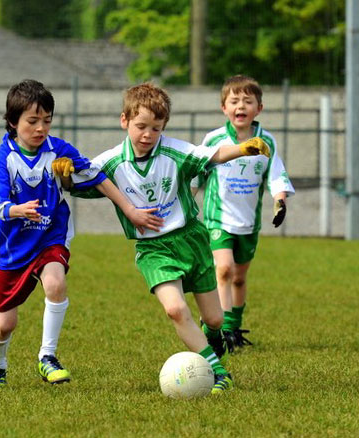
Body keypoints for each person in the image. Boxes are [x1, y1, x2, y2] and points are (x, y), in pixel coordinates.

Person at [64, 82, 270, 394]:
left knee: (214, 319)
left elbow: (211, 154)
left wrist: (243, 148)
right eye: (141, 126)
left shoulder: (174, 151)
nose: (147, 135)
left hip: (192, 239)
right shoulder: (110, 162)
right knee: (175, 309)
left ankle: (212, 338)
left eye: (156, 128)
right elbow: (78, 183)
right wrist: (65, 174)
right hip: (152, 249)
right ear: (125, 121)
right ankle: (218, 371)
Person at [0, 79, 163, 389]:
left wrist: (131, 210)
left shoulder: (59, 149)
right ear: (13, 122)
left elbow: (99, 177)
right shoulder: (3, 158)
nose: (41, 128)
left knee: (55, 282)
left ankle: (47, 357)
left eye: (47, 121)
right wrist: (18, 210)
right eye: (32, 121)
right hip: (13, 248)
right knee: (4, 324)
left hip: (51, 237)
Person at [191, 75, 295, 351]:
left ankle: (235, 328)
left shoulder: (266, 141)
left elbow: (276, 176)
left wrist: (280, 200)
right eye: (234, 101)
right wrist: (186, 203)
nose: (241, 106)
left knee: (239, 276)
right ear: (224, 107)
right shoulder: (214, 139)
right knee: (223, 270)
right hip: (218, 220)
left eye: (247, 101)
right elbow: (197, 173)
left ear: (258, 108)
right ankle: (222, 330)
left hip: (248, 222)